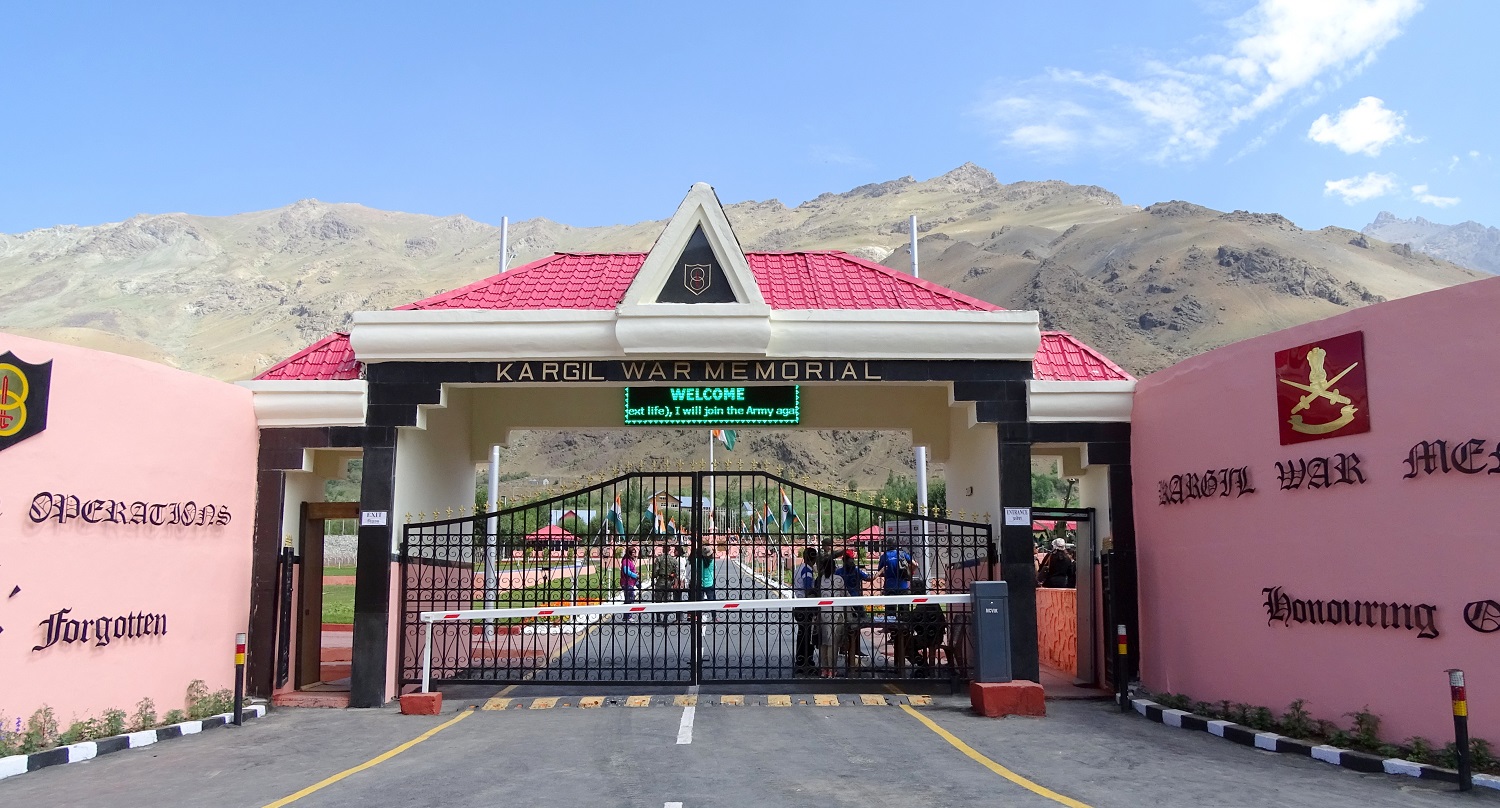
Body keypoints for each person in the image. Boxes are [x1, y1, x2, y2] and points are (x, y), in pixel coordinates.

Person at [897, 579, 948, 677]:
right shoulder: (929, 600)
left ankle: (923, 666)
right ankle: (924, 666)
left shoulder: (924, 603)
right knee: (906, 641)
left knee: (905, 645)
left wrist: (905, 610)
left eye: (911, 589)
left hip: (930, 637)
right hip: (936, 635)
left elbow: (911, 618)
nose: (910, 591)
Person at [815, 555, 846, 677]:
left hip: (823, 613)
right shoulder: (838, 579)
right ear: (834, 568)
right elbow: (844, 595)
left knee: (823, 643)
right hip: (836, 613)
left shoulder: (820, 579)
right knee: (833, 643)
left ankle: (824, 669)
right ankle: (832, 669)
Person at [791, 547, 818, 676]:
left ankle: (800, 661)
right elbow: (808, 589)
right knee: (808, 636)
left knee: (801, 634)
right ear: (813, 558)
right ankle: (807, 662)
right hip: (806, 606)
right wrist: (817, 591)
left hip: (798, 604)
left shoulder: (799, 569)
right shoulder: (807, 571)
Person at [650, 543, 676, 623]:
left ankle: (658, 619)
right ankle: (665, 619)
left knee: (658, 601)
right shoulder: (673, 559)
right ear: (669, 550)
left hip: (660, 581)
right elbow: (676, 571)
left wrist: (653, 578)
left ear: (663, 549)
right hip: (669, 581)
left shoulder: (659, 559)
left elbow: (655, 571)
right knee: (667, 601)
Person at [620, 547, 639, 621]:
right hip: (627, 582)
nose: (634, 554)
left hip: (630, 582)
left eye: (635, 552)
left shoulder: (630, 561)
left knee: (628, 599)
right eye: (632, 552)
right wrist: (635, 575)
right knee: (630, 599)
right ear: (629, 553)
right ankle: (628, 616)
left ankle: (626, 616)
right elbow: (626, 571)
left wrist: (635, 573)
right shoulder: (626, 561)